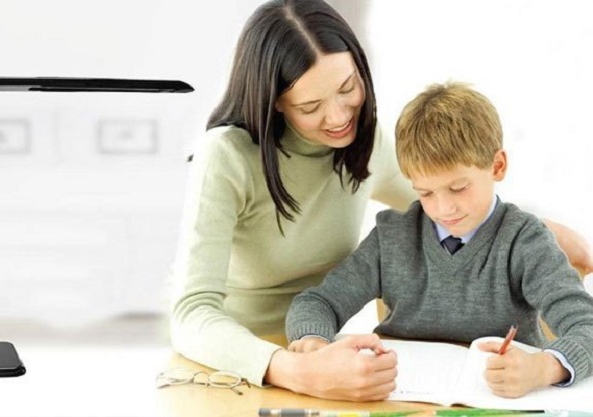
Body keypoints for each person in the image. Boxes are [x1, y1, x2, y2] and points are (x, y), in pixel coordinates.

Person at [169, 0, 593, 401]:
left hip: (341, 360)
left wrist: (545, 234)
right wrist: (302, 365)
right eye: (311, 106)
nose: (340, 117)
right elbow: (192, 312)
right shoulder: (226, 155)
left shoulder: (368, 143)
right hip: (241, 361)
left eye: (347, 88)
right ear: (276, 102)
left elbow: (453, 197)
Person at [285, 82, 593, 399]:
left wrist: (542, 368)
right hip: (400, 400)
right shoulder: (393, 236)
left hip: (499, 402)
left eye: (458, 188)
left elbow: (587, 327)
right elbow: (318, 303)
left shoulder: (525, 241)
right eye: (426, 193)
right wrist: (314, 346)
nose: (444, 209)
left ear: (497, 166)